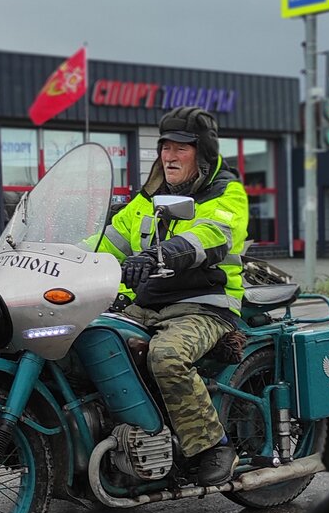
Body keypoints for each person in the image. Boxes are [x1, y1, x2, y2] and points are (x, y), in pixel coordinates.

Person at [97, 106, 250, 487]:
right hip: (149, 304)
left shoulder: (227, 193)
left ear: (204, 153)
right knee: (91, 341)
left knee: (166, 356)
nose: (169, 155)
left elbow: (210, 235)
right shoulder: (150, 197)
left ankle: (212, 446)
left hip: (206, 305)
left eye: (181, 147)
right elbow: (108, 242)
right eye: (165, 146)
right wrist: (59, 257)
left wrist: (157, 254)